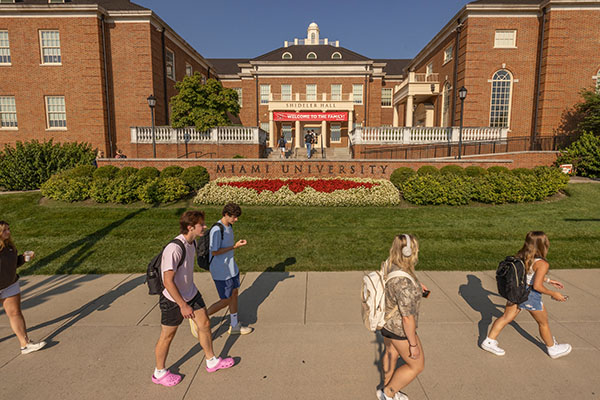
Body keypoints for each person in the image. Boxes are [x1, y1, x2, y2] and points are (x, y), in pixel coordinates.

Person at [153, 211, 235, 387]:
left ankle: (211, 360)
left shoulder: (193, 242)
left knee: (204, 324)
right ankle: (159, 372)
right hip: (173, 299)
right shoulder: (174, 248)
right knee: (168, 335)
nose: (204, 226)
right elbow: (168, 281)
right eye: (201, 224)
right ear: (190, 227)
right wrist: (183, 305)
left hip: (191, 293)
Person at [481, 231, 571, 359]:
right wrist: (553, 293)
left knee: (506, 317)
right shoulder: (543, 264)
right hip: (530, 295)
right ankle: (553, 349)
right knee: (543, 323)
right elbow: (537, 286)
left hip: (517, 290)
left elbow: (529, 274)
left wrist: (549, 281)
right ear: (543, 245)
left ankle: (489, 341)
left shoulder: (522, 255)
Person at [377, 234, 425, 400]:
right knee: (416, 365)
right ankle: (389, 393)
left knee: (390, 353)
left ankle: (385, 386)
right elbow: (407, 318)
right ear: (409, 251)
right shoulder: (404, 284)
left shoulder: (389, 263)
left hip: (385, 323)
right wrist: (412, 344)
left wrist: (417, 286)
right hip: (399, 329)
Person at [0, 221, 46, 355]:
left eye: (8, 229)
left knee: (15, 313)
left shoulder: (9, 246)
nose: (8, 232)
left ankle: (25, 344)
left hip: (10, 285)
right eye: (4, 231)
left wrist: (24, 259)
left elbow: (11, 265)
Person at [206, 203, 253, 335]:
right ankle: (202, 316)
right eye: (234, 217)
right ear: (226, 214)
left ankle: (234, 325)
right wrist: (235, 247)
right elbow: (214, 252)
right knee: (226, 299)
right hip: (221, 270)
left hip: (231, 268)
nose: (236, 219)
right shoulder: (216, 230)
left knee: (234, 294)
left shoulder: (229, 226)